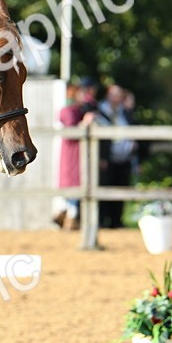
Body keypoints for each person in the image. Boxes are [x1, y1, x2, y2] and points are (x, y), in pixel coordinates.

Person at [53, 78, 98, 230]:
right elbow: (71, 132)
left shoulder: (77, 110)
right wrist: (85, 123)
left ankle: (66, 215)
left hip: (77, 154)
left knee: (74, 185)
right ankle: (70, 217)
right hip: (72, 155)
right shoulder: (69, 111)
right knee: (72, 185)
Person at [94, 84, 138, 229]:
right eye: (115, 94)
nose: (118, 97)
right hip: (107, 159)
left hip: (124, 158)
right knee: (104, 189)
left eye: (119, 94)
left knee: (121, 188)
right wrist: (101, 157)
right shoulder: (99, 111)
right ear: (108, 95)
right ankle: (102, 221)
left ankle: (117, 221)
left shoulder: (124, 112)